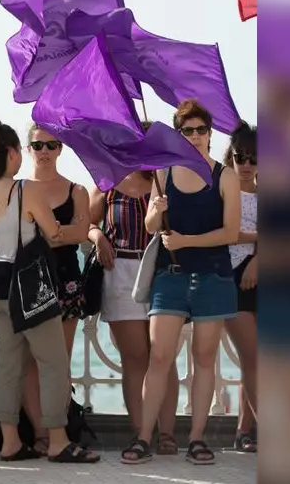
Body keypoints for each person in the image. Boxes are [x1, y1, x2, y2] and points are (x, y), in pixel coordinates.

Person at [122, 100, 240, 466]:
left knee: (204, 358)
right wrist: (156, 212)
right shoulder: (164, 173)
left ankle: (197, 439)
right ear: (178, 135)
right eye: (187, 131)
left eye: (201, 129)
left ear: (210, 133)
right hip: (169, 277)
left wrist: (187, 241)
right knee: (159, 357)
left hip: (213, 275)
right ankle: (144, 437)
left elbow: (231, 232)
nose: (195, 136)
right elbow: (151, 228)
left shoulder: (225, 175)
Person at [0, 116, 99, 464]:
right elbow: (54, 233)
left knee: (9, 364)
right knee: (53, 362)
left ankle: (10, 441)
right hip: (28, 284)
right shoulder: (24, 189)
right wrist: (74, 227)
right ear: (14, 152)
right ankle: (58, 440)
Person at [87, 158, 180, 455]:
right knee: (135, 357)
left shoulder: (164, 181)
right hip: (120, 270)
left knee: (163, 356)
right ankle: (141, 433)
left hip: (159, 269)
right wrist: (98, 237)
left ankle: (167, 434)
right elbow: (88, 222)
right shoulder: (107, 181)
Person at [19, 124, 89, 454]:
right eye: (38, 145)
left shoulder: (76, 190)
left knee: (59, 361)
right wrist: (59, 231)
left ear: (60, 149)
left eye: (51, 145)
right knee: (30, 363)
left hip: (65, 279)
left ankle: (59, 430)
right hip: (29, 282)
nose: (45, 151)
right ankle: (41, 433)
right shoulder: (18, 190)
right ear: (28, 149)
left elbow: (81, 233)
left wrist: (50, 232)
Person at [224, 121, 258, 452]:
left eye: (254, 158)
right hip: (230, 278)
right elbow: (226, 233)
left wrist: (258, 260)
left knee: (258, 360)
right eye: (240, 156)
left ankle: (244, 431)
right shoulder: (222, 191)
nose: (246, 164)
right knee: (253, 356)